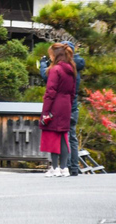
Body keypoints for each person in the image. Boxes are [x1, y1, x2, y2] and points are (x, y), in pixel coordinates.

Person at [40, 41, 85, 176]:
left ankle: (55, 168)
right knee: (64, 136)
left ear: (56, 55)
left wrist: (45, 112)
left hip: (55, 105)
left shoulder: (56, 69)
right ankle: (64, 168)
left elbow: (50, 92)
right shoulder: (71, 69)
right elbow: (72, 92)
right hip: (67, 105)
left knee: (53, 134)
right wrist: (69, 105)